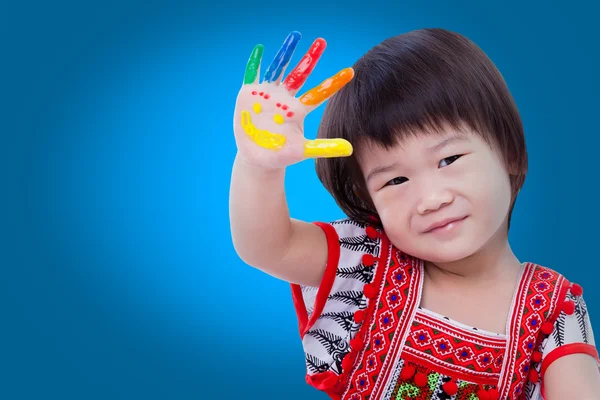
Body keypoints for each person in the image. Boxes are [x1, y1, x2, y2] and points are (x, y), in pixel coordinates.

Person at [229, 29, 600, 399]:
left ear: (510, 154)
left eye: (448, 159)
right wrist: (258, 163)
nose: (430, 199)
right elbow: (268, 247)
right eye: (396, 180)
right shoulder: (367, 264)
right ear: (369, 199)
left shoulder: (554, 308)